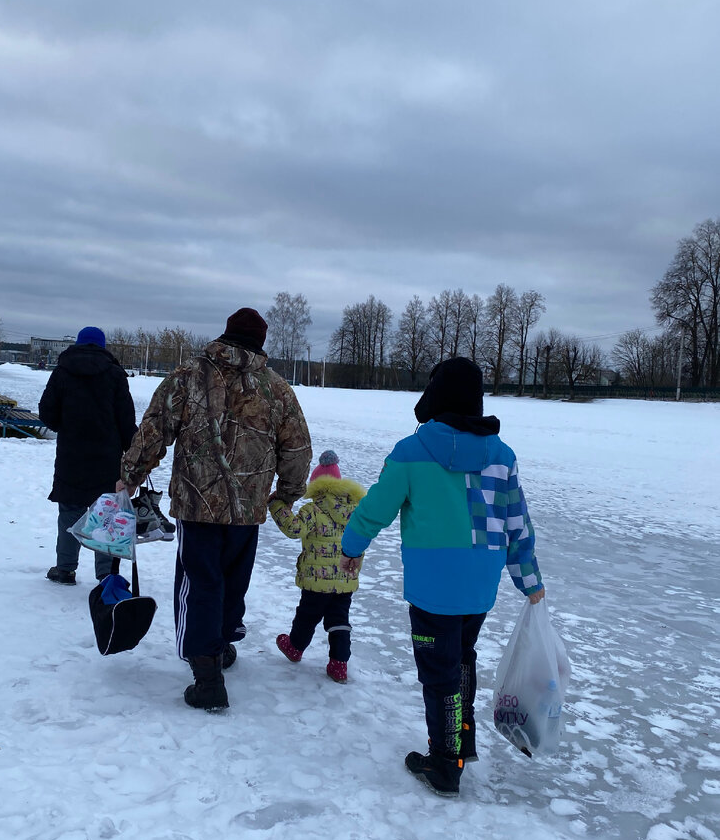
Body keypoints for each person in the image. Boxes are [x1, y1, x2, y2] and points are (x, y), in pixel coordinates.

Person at [339, 357, 544, 797]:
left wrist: (350, 548)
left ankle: (445, 762)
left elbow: (376, 507)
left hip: (434, 586)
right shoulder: (501, 455)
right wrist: (530, 580)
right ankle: (460, 740)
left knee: (439, 672)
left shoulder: (411, 452)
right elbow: (517, 523)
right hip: (479, 584)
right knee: (462, 655)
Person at [117, 308, 311, 710]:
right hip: (246, 510)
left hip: (198, 503)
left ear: (226, 335)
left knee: (201, 583)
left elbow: (154, 429)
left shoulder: (188, 376)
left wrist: (130, 474)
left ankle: (207, 673)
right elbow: (296, 448)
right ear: (260, 343)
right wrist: (286, 494)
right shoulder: (276, 389)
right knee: (231, 579)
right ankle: (219, 645)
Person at [38, 327, 137, 585]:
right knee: (106, 514)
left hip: (72, 455)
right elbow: (126, 419)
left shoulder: (62, 372)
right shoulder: (115, 374)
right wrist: (133, 451)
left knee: (70, 510)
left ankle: (65, 569)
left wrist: (67, 427)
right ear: (102, 346)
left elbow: (46, 412)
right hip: (107, 457)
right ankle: (106, 573)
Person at [269, 449, 365, 684]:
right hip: (345, 579)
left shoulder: (313, 509)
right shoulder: (355, 512)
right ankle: (339, 664)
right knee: (339, 620)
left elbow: (293, 529)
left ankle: (295, 647)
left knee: (307, 615)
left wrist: (277, 506)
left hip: (316, 579)